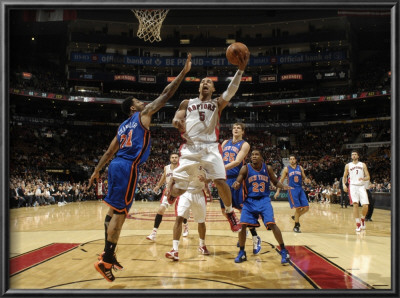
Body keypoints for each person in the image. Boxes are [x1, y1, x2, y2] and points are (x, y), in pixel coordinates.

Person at [88, 54, 191, 282]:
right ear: (132, 107)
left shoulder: (122, 127)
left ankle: (109, 253)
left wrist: (97, 170)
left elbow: (108, 152)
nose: (143, 102)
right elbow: (165, 95)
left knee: (112, 211)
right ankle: (105, 260)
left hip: (114, 166)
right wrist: (183, 73)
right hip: (127, 168)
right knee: (121, 214)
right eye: (138, 101)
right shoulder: (142, 115)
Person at [165, 51, 250, 233]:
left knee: (220, 181)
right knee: (179, 190)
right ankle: (171, 192)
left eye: (209, 82)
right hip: (190, 147)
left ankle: (229, 212)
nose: (205, 83)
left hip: (211, 147)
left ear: (212, 89)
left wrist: (240, 71)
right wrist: (177, 122)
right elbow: (176, 118)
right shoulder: (187, 103)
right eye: (202, 81)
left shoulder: (217, 103)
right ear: (198, 88)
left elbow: (231, 90)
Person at [232, 149, 292, 264]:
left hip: (264, 200)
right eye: (252, 155)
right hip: (249, 201)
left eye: (256, 154)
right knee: (243, 225)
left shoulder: (267, 168)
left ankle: (284, 250)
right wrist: (237, 183)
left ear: (261, 158)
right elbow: (238, 180)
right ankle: (242, 252)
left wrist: (283, 186)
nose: (254, 156)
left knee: (272, 224)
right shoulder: (245, 168)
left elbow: (275, 181)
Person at [220, 123, 261, 254]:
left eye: (239, 128)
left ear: (243, 131)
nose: (236, 129)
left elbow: (237, 161)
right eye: (234, 128)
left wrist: (220, 168)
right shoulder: (225, 142)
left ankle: (255, 237)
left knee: (244, 210)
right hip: (224, 179)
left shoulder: (245, 144)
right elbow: (218, 158)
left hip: (236, 179)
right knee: (224, 210)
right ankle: (240, 230)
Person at [165, 167, 212, 261]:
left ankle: (202, 245)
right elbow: (173, 178)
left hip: (199, 192)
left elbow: (210, 178)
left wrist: (205, 181)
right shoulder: (184, 161)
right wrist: (168, 188)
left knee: (201, 221)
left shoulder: (205, 161)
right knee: (179, 218)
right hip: (184, 192)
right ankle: (175, 250)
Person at [146, 153, 190, 241]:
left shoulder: (182, 167)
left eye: (176, 157)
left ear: (178, 158)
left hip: (179, 191)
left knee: (181, 213)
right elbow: (163, 176)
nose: (174, 159)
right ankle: (154, 233)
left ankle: (185, 226)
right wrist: (158, 185)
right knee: (160, 210)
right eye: (172, 157)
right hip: (168, 191)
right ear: (170, 159)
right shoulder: (166, 167)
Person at [274, 154, 311, 233]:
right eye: (290, 159)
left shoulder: (300, 168)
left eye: (293, 159)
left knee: (306, 208)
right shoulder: (286, 169)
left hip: (300, 189)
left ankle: (295, 217)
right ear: (289, 160)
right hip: (292, 190)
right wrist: (277, 191)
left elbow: (304, 178)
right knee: (298, 208)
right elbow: (281, 181)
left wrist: (307, 180)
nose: (292, 160)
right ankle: (296, 226)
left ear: (295, 160)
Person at [342, 150, 371, 232]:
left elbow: (368, 176)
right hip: (353, 186)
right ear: (351, 156)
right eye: (352, 154)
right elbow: (344, 176)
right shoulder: (348, 165)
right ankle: (358, 224)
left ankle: (362, 219)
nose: (354, 155)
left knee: (365, 205)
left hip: (361, 186)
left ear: (358, 156)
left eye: (355, 154)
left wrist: (364, 178)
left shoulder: (362, 164)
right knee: (355, 204)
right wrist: (344, 185)